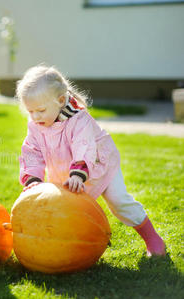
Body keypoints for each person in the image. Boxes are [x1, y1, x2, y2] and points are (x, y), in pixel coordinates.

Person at [17, 65, 166, 256]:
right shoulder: (36, 126)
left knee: (118, 201)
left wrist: (78, 174)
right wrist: (33, 180)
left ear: (60, 101)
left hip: (98, 165)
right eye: (30, 112)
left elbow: (84, 147)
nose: (35, 117)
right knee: (65, 212)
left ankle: (152, 237)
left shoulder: (79, 120)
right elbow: (31, 152)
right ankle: (77, 246)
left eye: (41, 110)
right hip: (64, 174)